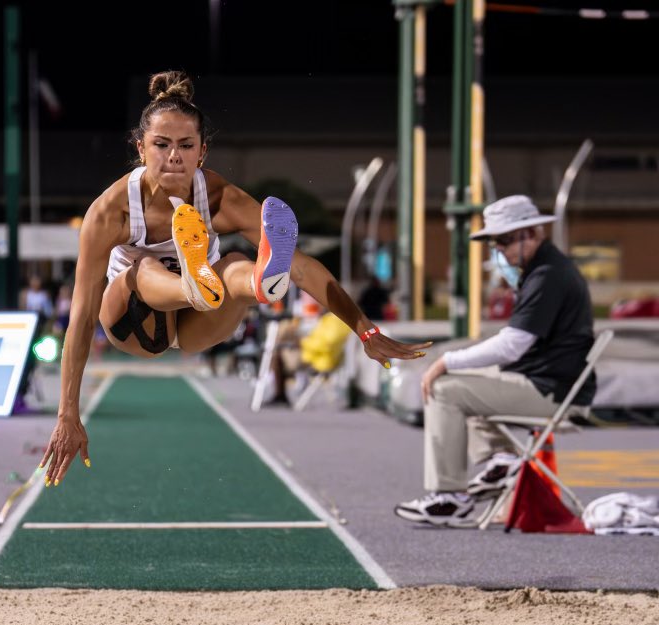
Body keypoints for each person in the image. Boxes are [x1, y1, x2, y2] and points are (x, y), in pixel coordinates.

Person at [39, 71, 429, 486]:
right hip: (133, 324)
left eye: (186, 146)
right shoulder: (110, 211)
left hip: (197, 325)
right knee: (145, 268)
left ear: (202, 152)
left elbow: (300, 267)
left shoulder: (220, 197)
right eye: (161, 145)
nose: (174, 156)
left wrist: (365, 330)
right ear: (140, 148)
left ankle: (259, 284)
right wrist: (68, 413)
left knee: (240, 262)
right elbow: (81, 316)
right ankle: (194, 283)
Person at [394, 195, 597, 527]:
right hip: (552, 385)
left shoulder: (547, 275)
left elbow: (513, 345)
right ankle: (501, 460)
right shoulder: (547, 270)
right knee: (466, 380)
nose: (499, 249)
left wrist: (446, 360)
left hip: (550, 391)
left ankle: (449, 496)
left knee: (445, 390)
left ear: (530, 233)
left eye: (503, 240)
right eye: (494, 242)